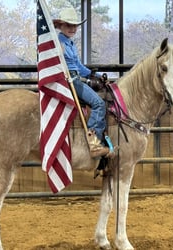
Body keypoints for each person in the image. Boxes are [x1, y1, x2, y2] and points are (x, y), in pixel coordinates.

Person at [53, 7, 112, 158]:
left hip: (76, 77)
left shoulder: (69, 43)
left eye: (74, 26)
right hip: (70, 80)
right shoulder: (59, 43)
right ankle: (93, 143)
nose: (72, 28)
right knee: (99, 103)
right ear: (60, 26)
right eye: (68, 25)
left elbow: (78, 66)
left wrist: (96, 75)